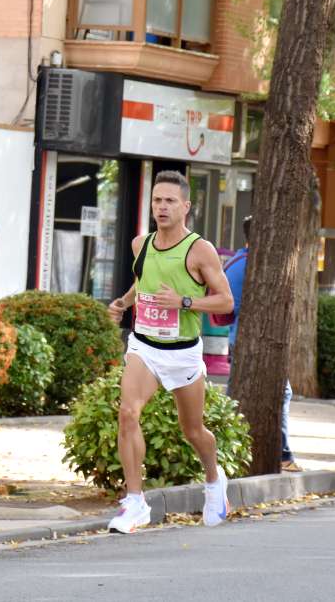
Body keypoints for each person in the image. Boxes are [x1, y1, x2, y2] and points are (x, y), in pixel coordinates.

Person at [105, 170, 235, 534]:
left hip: (183, 352)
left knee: (192, 430)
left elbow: (225, 299)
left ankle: (214, 482)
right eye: (157, 200)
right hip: (144, 345)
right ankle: (135, 502)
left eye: (170, 201)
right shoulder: (140, 244)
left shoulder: (199, 250)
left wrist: (184, 301)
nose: (161, 207)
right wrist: (124, 302)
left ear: (186, 206)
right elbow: (142, 280)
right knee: (128, 413)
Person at [223, 216, 301, 472]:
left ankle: (274, 453)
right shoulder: (249, 264)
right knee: (273, 393)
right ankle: (282, 454)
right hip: (249, 341)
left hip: (240, 339)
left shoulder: (238, 261)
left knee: (245, 395)